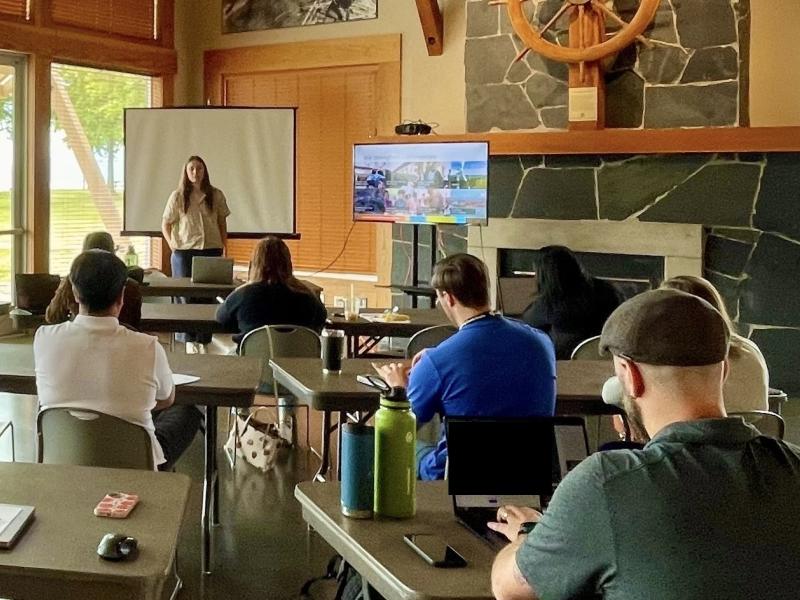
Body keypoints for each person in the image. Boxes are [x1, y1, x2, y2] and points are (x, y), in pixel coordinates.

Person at [490, 289, 800, 600]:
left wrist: (527, 533)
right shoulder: (794, 464)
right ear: (724, 372)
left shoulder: (606, 484)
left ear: (630, 376)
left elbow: (509, 588)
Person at [376, 253, 556, 481]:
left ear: (448, 298)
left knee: (397, 443)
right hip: (527, 476)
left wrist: (398, 389)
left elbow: (402, 427)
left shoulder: (437, 361)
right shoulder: (541, 342)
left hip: (459, 479)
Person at [34, 250, 202, 470]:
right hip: (135, 463)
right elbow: (167, 399)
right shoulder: (148, 347)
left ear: (74, 293)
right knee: (186, 411)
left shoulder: (44, 338)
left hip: (63, 462)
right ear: (121, 296)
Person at [161, 155, 231, 347]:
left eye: (199, 168)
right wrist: (173, 245)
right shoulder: (178, 196)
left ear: (204, 171)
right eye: (191, 169)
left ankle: (204, 340)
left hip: (211, 250)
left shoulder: (216, 195)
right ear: (186, 171)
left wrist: (224, 246)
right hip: (185, 253)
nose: (195, 172)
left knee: (207, 297)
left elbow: (222, 223)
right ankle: (188, 340)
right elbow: (165, 224)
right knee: (186, 297)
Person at [215, 236, 327, 348]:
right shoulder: (308, 295)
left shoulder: (243, 294)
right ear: (288, 263)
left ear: (254, 264)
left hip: (253, 360)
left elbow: (222, 318)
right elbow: (321, 319)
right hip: (301, 361)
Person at [521, 245, 622, 359]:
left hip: (564, 365)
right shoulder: (607, 290)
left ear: (544, 274)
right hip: (604, 358)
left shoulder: (550, 303)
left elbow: (527, 323)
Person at [46, 231, 142, 329]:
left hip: (79, 337)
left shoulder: (71, 281)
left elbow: (53, 316)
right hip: (123, 340)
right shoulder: (130, 286)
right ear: (112, 252)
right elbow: (135, 323)